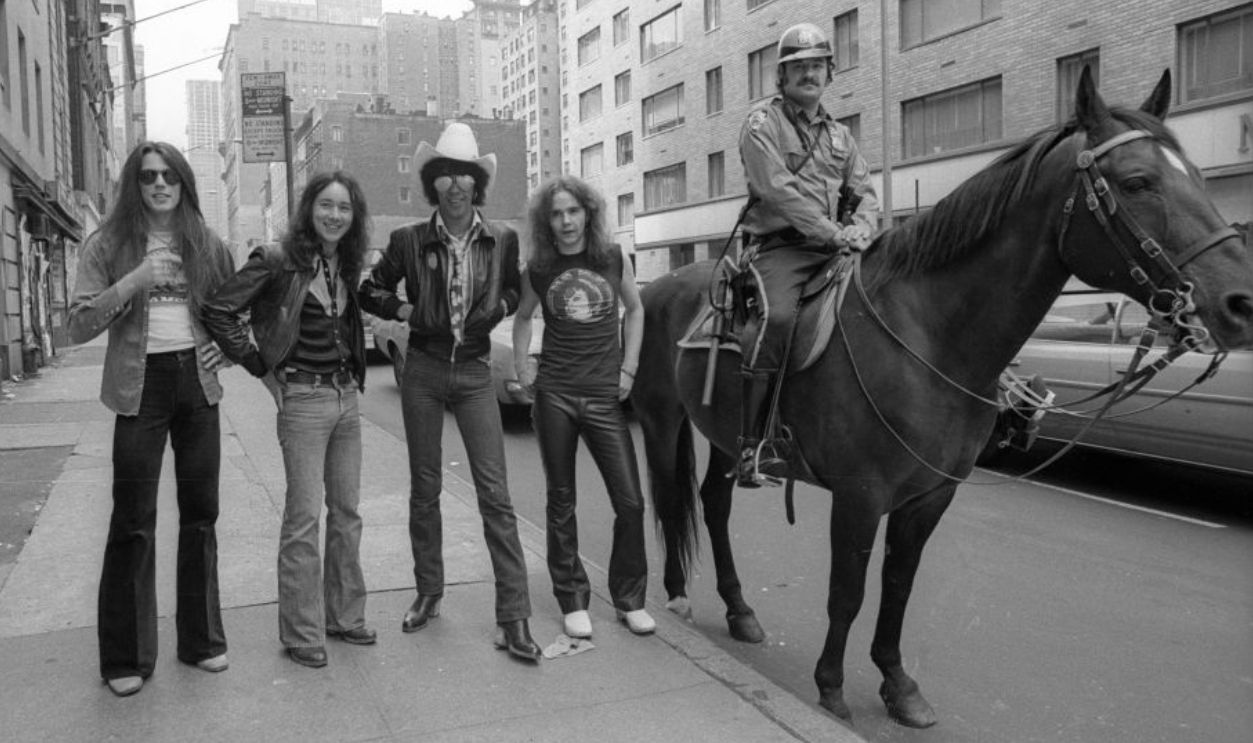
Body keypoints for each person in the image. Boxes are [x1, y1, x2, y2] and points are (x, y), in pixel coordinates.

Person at [358, 122, 541, 662]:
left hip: (476, 372)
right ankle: (428, 592)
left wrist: (504, 307)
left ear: (476, 184)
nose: (456, 185)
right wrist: (406, 309)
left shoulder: (502, 238)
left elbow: (512, 287)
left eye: (465, 176)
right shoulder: (407, 241)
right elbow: (370, 289)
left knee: (496, 496)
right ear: (433, 182)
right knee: (425, 489)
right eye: (446, 176)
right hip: (424, 370)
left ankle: (515, 619)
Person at [68, 142, 235, 697]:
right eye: (148, 177)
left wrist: (227, 351)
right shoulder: (109, 243)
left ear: (184, 182)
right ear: (134, 185)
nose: (159, 184)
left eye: (169, 176)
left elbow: (235, 310)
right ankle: (126, 656)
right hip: (139, 388)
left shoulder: (206, 244)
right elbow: (78, 325)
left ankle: (202, 641)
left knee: (201, 515)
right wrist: (136, 278)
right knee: (133, 519)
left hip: (196, 384)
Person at [201, 171, 376, 669]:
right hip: (302, 400)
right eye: (326, 205)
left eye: (344, 207)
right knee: (303, 518)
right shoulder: (278, 260)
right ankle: (302, 631)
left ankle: (343, 616)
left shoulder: (345, 261)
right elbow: (220, 309)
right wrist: (261, 368)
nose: (335, 215)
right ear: (309, 209)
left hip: (346, 400)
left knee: (348, 513)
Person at [736, 22, 880, 487]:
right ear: (782, 76)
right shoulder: (762, 123)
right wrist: (833, 232)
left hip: (836, 249)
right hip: (781, 249)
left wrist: (861, 228)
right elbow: (775, 190)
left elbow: (864, 191)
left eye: (816, 65)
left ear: (829, 73)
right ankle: (753, 445)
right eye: (798, 67)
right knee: (777, 321)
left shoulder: (841, 136)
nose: (808, 74)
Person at [513, 176, 655, 639]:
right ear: (546, 221)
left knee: (631, 502)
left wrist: (629, 369)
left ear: (587, 213)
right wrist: (522, 367)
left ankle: (630, 598)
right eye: (556, 213)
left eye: (572, 211)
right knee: (561, 500)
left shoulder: (612, 258)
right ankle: (572, 598)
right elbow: (522, 318)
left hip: (602, 397)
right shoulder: (540, 267)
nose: (566, 220)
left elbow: (635, 310)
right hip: (554, 394)